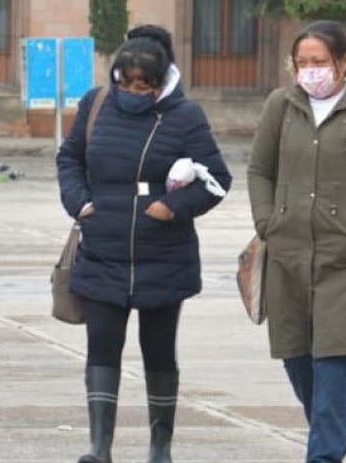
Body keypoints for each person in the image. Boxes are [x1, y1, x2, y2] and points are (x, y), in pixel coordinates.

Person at [56, 28, 232, 463]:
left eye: (143, 85)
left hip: (163, 256)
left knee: (158, 351)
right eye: (125, 82)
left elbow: (217, 181)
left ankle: (160, 447)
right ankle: (99, 447)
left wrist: (173, 207)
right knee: (102, 347)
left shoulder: (185, 116)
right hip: (102, 247)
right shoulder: (95, 104)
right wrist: (80, 204)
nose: (132, 92)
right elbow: (69, 159)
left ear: (160, 83)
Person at [247, 21, 346, 463]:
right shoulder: (281, 105)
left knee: (333, 358)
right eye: (302, 63)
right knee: (296, 357)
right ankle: (328, 437)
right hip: (288, 254)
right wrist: (266, 221)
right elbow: (260, 170)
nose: (310, 70)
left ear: (344, 60)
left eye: (319, 62)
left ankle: (324, 456)